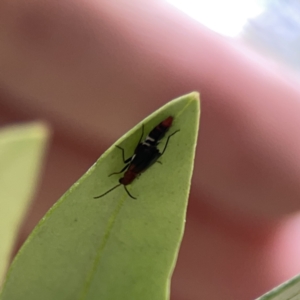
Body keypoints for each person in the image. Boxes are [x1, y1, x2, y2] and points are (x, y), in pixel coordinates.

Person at [1, 1, 300, 299]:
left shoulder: (133, 170)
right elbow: (142, 159)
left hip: (153, 139)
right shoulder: (134, 170)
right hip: (152, 141)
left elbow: (139, 159)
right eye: (125, 180)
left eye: (125, 179)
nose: (125, 178)